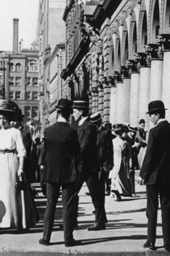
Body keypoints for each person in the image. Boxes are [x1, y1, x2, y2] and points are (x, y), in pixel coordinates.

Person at [0, 100, 38, 232]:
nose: (2, 121)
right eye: (0, 118)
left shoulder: (15, 132)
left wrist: (21, 168)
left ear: (9, 119)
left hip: (12, 161)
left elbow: (21, 151)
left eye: (4, 118)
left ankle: (18, 222)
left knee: (12, 192)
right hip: (0, 161)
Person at [140, 100, 170, 252]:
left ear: (157, 114)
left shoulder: (154, 131)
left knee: (152, 209)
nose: (150, 118)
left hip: (153, 177)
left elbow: (150, 155)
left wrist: (143, 174)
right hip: (168, 177)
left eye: (151, 115)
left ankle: (151, 241)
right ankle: (167, 241)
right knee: (166, 209)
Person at [39, 98, 81, 247]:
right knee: (67, 206)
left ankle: (46, 238)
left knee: (50, 205)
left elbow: (45, 152)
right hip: (68, 174)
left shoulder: (48, 131)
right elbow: (77, 152)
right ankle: (68, 239)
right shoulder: (71, 132)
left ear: (57, 113)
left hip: (51, 173)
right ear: (69, 114)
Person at [70, 100, 107, 231]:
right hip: (81, 166)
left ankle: (100, 222)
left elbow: (84, 147)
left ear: (81, 112)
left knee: (95, 195)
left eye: (74, 111)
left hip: (88, 167)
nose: (73, 114)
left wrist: (73, 156)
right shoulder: (81, 125)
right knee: (72, 193)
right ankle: (71, 222)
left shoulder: (89, 126)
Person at [90, 112, 114, 198]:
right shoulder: (92, 132)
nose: (94, 125)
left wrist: (110, 163)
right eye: (93, 123)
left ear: (99, 122)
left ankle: (100, 208)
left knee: (100, 184)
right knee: (94, 185)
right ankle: (98, 207)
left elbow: (110, 149)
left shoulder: (106, 132)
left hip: (103, 162)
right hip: (93, 163)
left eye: (95, 123)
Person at [110, 124, 133, 201]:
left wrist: (130, 163)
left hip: (124, 162)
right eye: (117, 132)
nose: (118, 134)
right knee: (115, 177)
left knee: (122, 178)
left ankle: (120, 192)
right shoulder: (112, 142)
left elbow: (129, 154)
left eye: (120, 132)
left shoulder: (126, 142)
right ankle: (115, 191)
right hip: (115, 161)